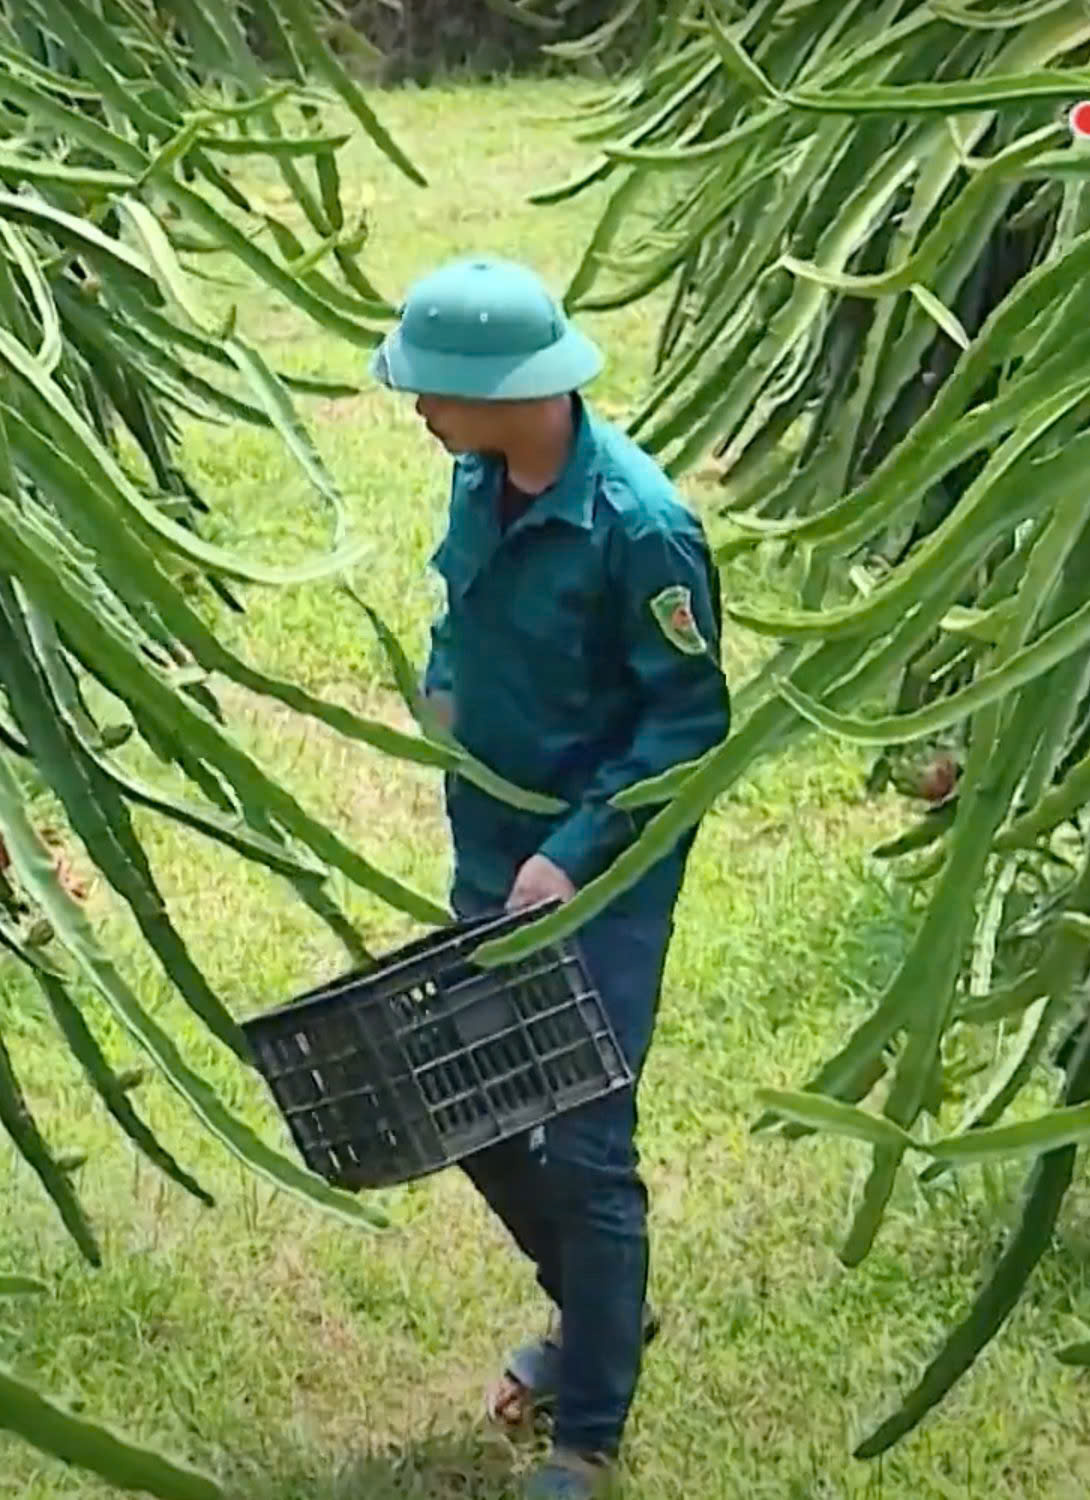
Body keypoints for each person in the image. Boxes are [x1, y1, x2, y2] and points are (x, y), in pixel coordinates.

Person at [370, 255, 733, 1499]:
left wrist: (570, 855)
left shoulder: (641, 529)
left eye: (433, 392)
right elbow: (459, 607)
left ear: (510, 390)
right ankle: (597, 1312)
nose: (417, 411)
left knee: (584, 1141)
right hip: (489, 864)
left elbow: (686, 733)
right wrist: (444, 677)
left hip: (602, 882)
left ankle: (588, 1433)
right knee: (467, 1105)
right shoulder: (480, 478)